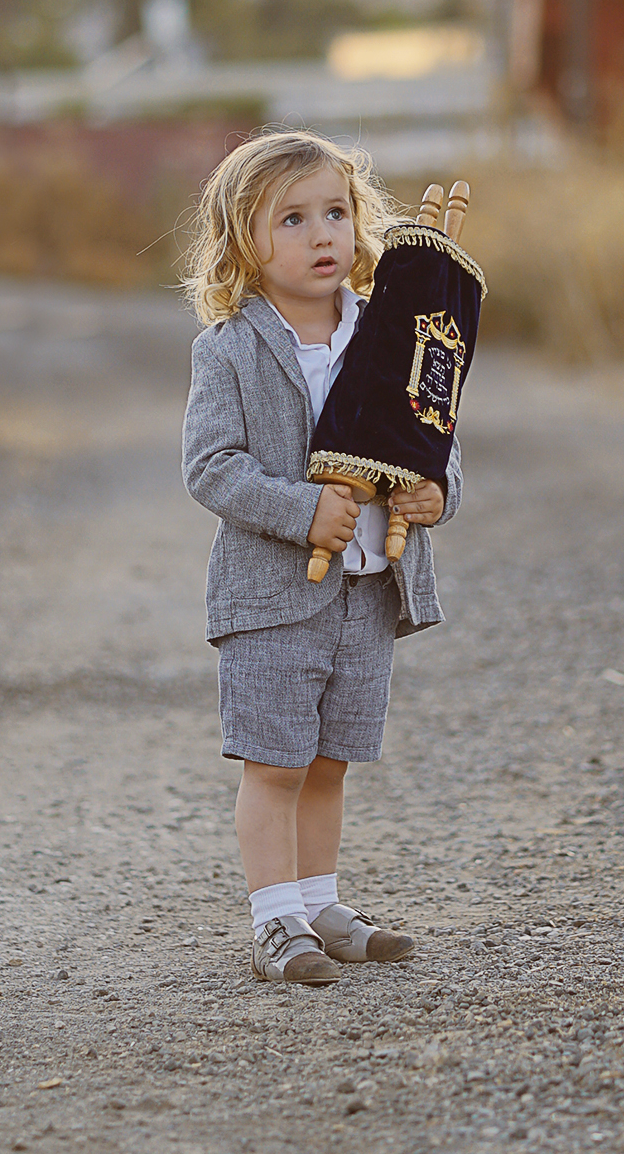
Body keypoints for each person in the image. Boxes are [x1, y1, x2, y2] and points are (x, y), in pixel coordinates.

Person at [181, 130, 460, 986]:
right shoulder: (229, 348)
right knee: (276, 762)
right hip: (272, 596)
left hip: (368, 592)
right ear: (243, 244)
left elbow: (435, 437)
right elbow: (211, 466)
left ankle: (320, 900)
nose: (322, 234)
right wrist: (306, 509)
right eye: (293, 219)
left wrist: (435, 493)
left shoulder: (390, 336)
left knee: (332, 759)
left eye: (335, 212)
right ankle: (274, 919)